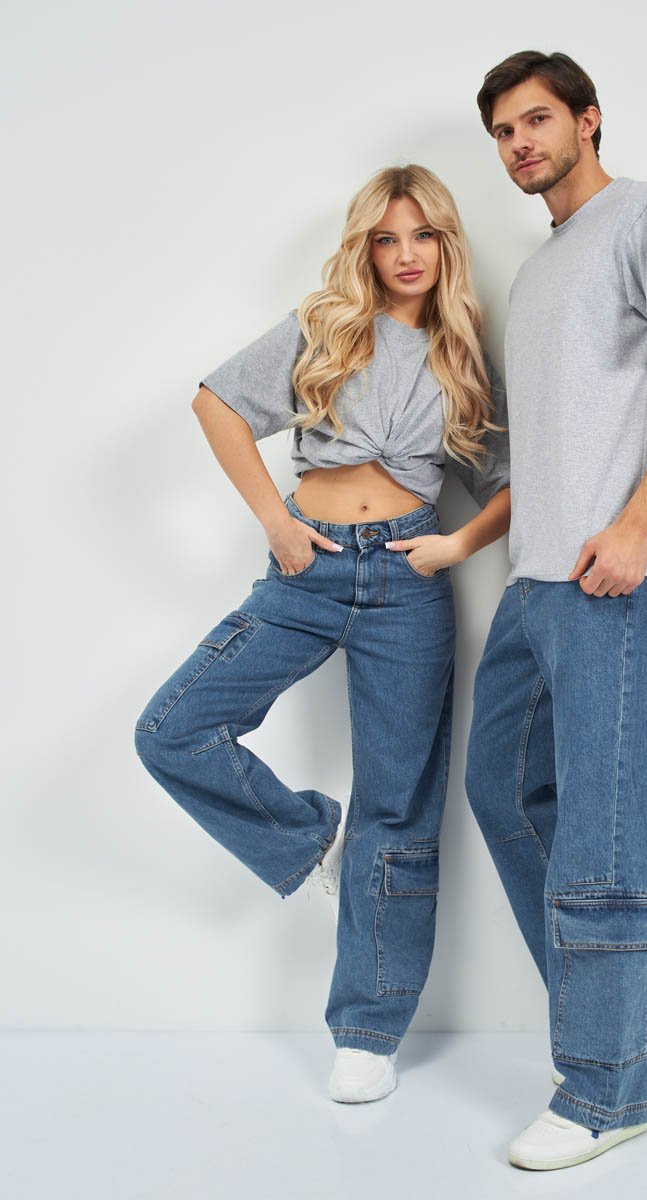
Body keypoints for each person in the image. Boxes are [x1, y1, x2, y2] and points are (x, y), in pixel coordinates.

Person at [134, 164, 510, 1105]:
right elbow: (216, 404)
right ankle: (311, 841)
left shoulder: (464, 356)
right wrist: (275, 522)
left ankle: (368, 1034)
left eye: (422, 236)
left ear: (446, 244)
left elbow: (515, 479)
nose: (406, 255)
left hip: (409, 582)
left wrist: (458, 544)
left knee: (399, 807)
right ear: (364, 249)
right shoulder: (325, 326)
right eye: (386, 239)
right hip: (307, 567)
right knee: (173, 730)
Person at [465, 51, 647, 1170]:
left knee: (604, 833)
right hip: (534, 580)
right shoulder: (542, 268)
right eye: (502, 131)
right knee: (502, 790)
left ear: (588, 120)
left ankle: (608, 1090)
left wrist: (636, 525)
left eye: (537, 119)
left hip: (616, 575)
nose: (520, 143)